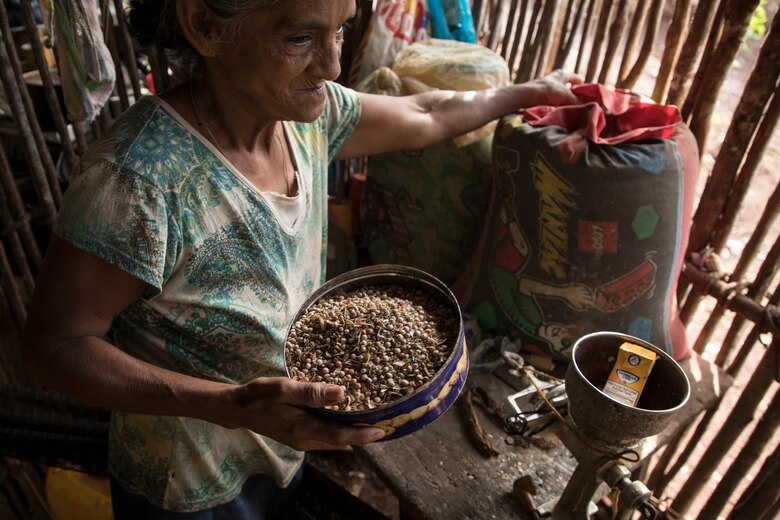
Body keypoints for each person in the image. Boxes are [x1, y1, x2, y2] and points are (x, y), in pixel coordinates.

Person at [20, 0, 582, 517]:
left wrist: (529, 93)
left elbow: (426, 112)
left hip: (281, 443)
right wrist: (230, 406)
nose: (333, 65)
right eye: (299, 38)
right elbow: (55, 348)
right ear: (206, 26)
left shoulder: (305, 117)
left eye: (340, 28)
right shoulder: (137, 182)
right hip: (187, 484)